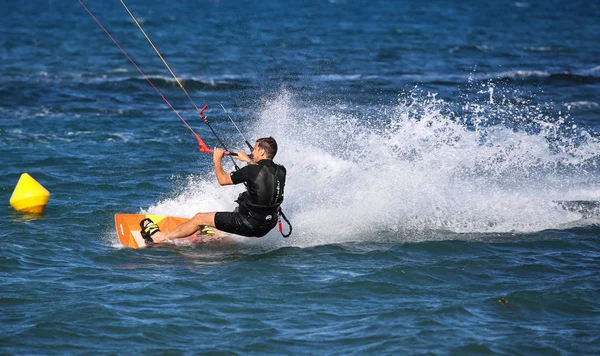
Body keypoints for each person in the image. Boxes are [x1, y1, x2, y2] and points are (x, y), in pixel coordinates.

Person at [140, 137, 286, 244]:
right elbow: (263, 171)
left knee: (199, 218)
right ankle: (213, 231)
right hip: (267, 225)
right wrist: (248, 160)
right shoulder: (281, 170)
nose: (252, 152)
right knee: (239, 208)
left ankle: (161, 237)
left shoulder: (251, 170)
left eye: (254, 149)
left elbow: (222, 180)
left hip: (249, 225)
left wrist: (217, 159)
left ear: (261, 151)